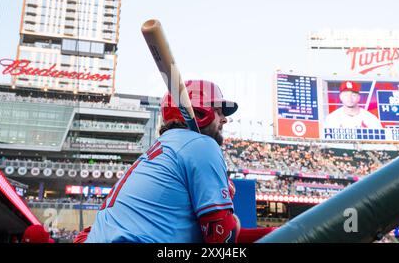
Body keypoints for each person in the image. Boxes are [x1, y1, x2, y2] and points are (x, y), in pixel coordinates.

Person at [77, 80, 275, 243]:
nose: (224, 120)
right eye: (219, 111)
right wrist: (232, 219)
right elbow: (222, 237)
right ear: (200, 111)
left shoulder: (163, 149)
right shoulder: (200, 144)